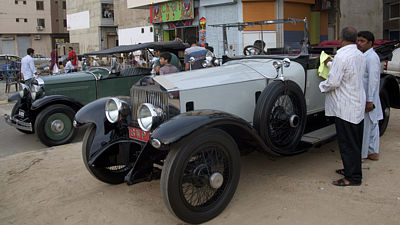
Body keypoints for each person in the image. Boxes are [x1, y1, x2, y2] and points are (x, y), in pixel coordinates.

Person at [319, 27, 366, 186]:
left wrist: (321, 86)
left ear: (341, 38)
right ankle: (351, 170)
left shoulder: (341, 55)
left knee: (347, 143)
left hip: (345, 108)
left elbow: (333, 82)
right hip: (356, 105)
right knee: (355, 142)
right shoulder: (360, 54)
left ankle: (352, 178)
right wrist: (331, 63)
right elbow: (348, 72)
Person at [357, 31, 383, 161]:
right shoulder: (364, 56)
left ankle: (362, 154)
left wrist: (369, 100)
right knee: (372, 124)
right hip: (367, 96)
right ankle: (373, 152)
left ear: (370, 43)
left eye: (362, 41)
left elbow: (373, 80)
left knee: (367, 126)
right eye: (358, 41)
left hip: (369, 97)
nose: (359, 43)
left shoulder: (371, 57)